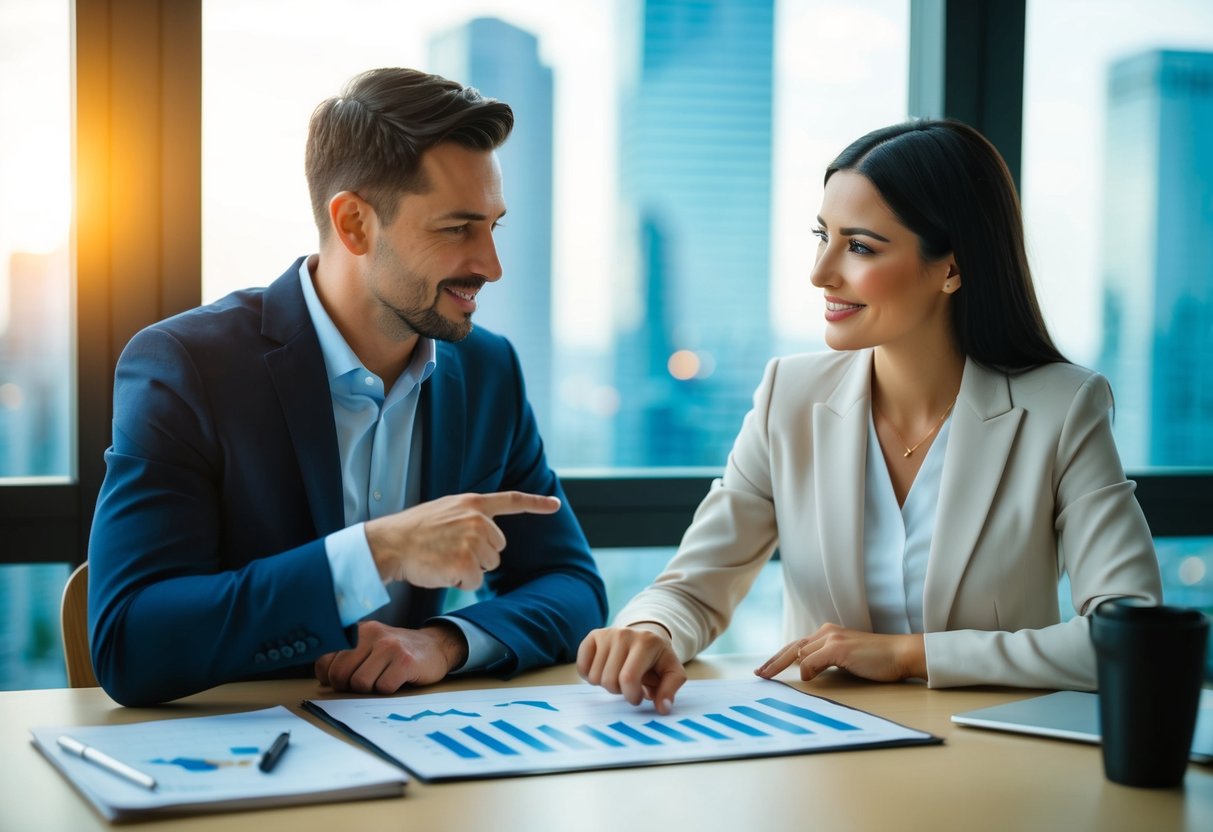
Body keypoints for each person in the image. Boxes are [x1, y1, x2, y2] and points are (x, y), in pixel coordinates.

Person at [577, 119, 1162, 714]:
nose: (821, 271)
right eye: (821, 235)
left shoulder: (1062, 408)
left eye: (859, 246)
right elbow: (696, 586)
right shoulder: (791, 395)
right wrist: (651, 628)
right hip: (823, 757)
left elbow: (1131, 638)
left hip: (990, 758)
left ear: (952, 268)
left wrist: (913, 655)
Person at [88, 68, 606, 707]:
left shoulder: (487, 371)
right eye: (457, 229)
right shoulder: (187, 367)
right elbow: (129, 642)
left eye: (493, 227)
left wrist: (443, 643)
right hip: (240, 764)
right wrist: (377, 551)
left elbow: (571, 583)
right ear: (355, 223)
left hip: (423, 757)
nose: (491, 266)